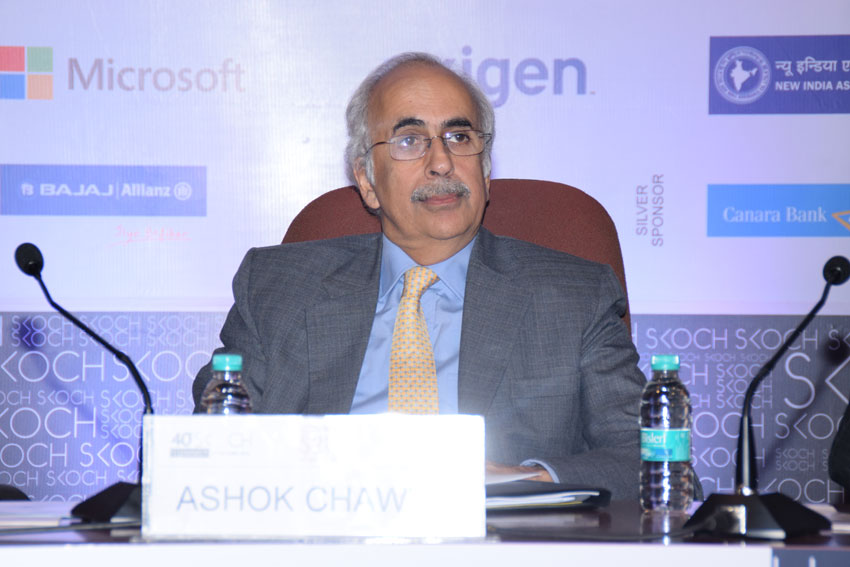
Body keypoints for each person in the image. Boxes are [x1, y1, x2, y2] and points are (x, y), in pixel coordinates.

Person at [193, 52, 645, 500]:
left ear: (486, 168)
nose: (441, 162)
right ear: (367, 180)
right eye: (409, 140)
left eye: (459, 136)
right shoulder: (278, 288)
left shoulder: (574, 297)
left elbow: (647, 456)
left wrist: (524, 481)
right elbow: (210, 451)